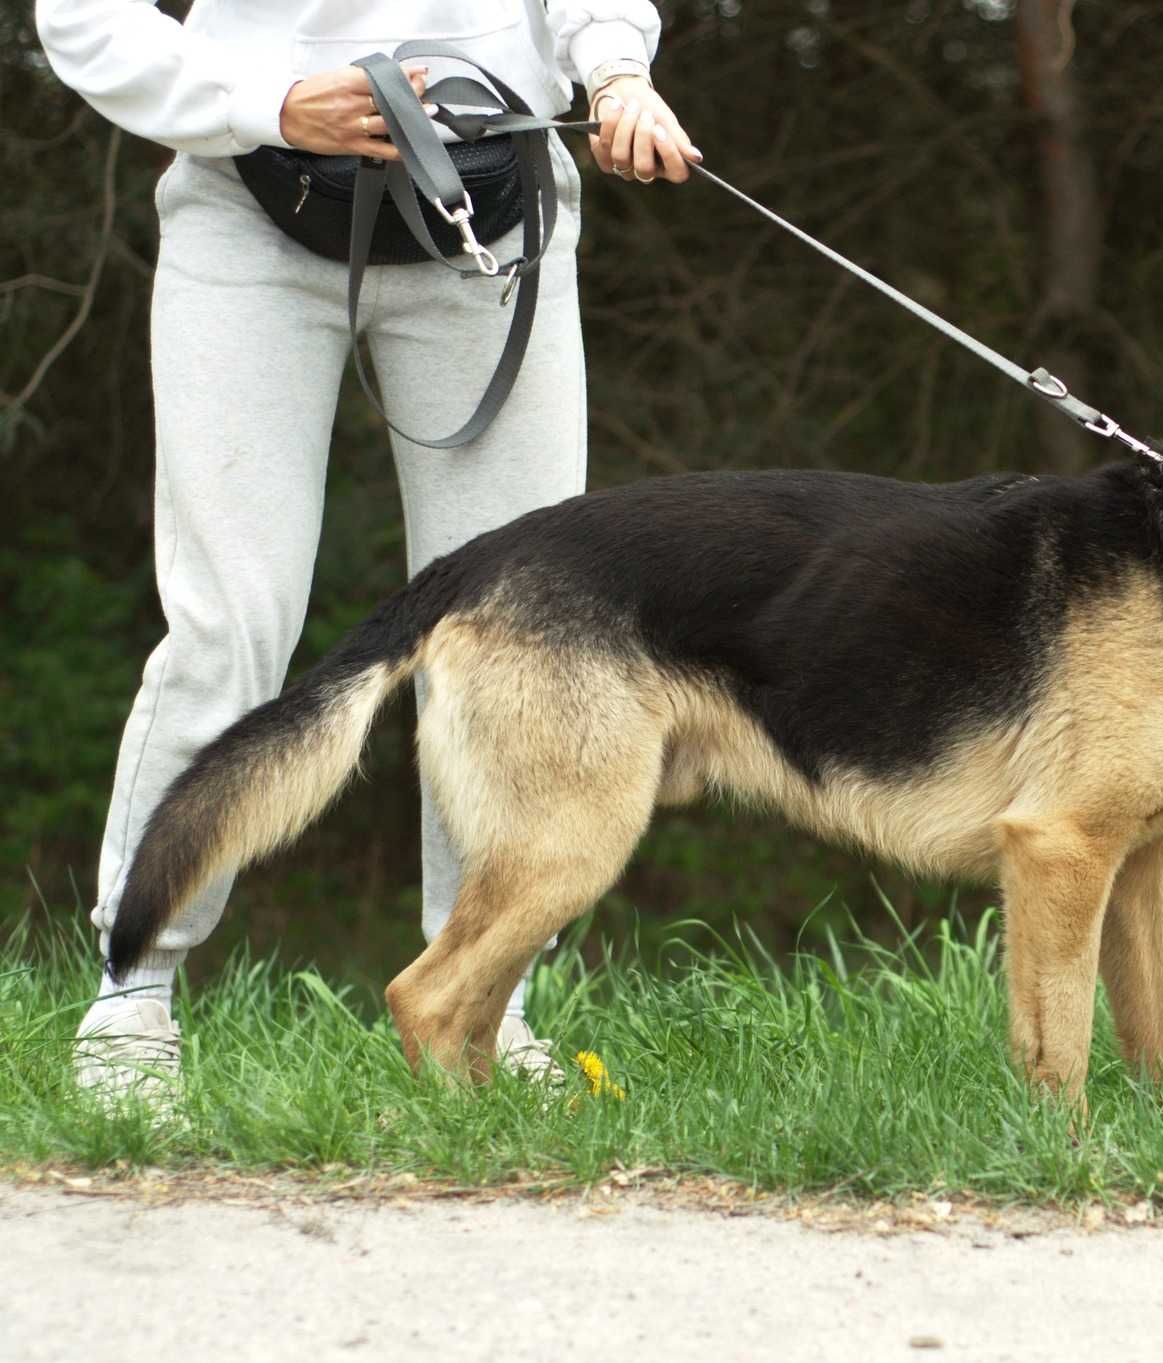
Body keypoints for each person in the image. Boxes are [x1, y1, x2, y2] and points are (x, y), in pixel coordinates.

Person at [35, 0, 700, 1098]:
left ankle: (486, 1005)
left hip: (490, 198)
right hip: (248, 199)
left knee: (522, 637)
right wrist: (263, 102)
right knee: (228, 626)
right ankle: (131, 996)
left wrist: (616, 71)